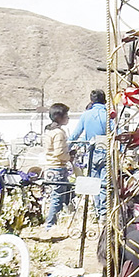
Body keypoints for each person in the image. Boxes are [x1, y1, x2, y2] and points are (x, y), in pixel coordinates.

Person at [69, 90, 110, 220]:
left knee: (94, 182)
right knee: (104, 183)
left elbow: (75, 135)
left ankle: (98, 211)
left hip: (91, 153)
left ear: (91, 101)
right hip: (105, 152)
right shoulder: (107, 115)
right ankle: (103, 213)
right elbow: (117, 132)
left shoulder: (86, 115)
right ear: (104, 101)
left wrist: (66, 148)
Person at [42, 103, 72, 231]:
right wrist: (70, 156)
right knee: (57, 198)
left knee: (64, 195)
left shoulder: (49, 131)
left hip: (50, 167)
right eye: (66, 115)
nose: (68, 118)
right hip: (57, 168)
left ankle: (58, 221)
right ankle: (50, 225)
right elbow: (59, 153)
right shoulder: (59, 133)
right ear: (59, 117)